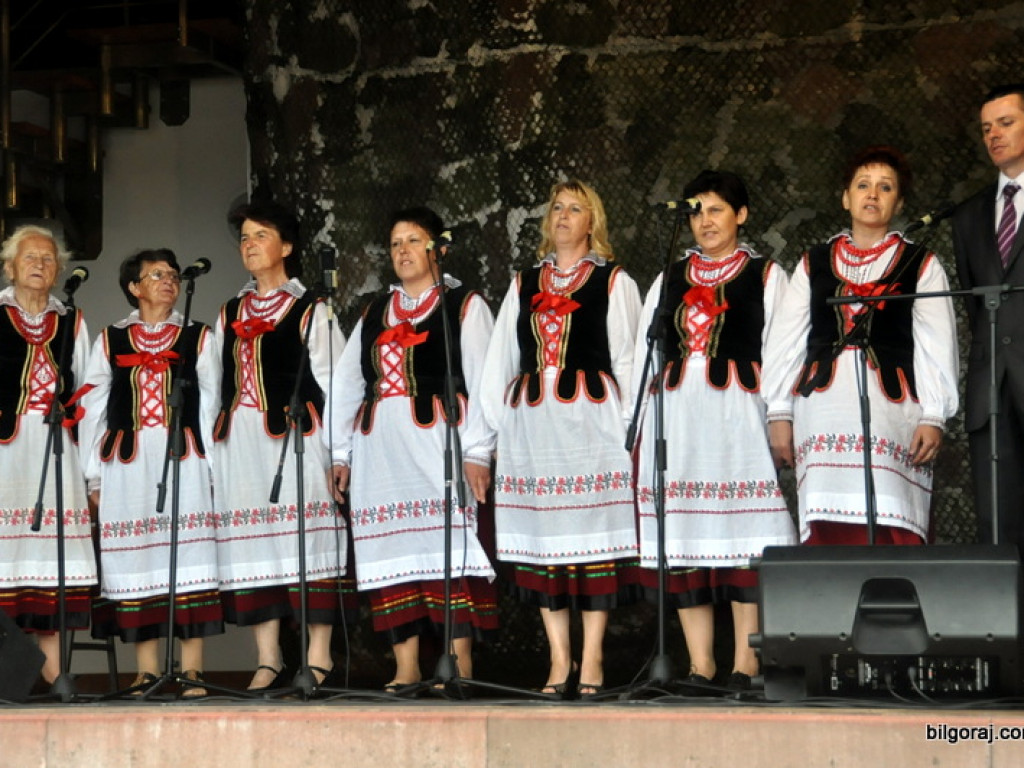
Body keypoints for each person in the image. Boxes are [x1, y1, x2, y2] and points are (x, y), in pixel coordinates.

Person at [632, 170, 797, 690]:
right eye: (696, 211)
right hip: (678, 417)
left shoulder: (766, 275)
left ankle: (747, 662)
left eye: (716, 209)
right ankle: (700, 664)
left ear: (741, 215)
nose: (704, 220)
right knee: (684, 534)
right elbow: (643, 353)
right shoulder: (670, 277)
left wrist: (779, 413)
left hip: (737, 415)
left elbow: (783, 350)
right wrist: (637, 425)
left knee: (746, 533)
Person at [480, 179, 641, 697]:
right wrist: (496, 431)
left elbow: (628, 359)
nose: (565, 216)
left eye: (576, 208)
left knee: (593, 540)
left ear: (593, 221)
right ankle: (558, 657)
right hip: (535, 429)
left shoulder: (613, 281)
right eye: (557, 208)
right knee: (545, 541)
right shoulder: (524, 283)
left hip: (592, 425)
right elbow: (500, 359)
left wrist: (626, 429)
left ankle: (591, 656)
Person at [327, 206, 497, 690]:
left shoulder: (464, 305)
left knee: (448, 548)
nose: (402, 251)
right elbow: (347, 384)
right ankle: (406, 666)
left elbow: (484, 381)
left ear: (438, 249)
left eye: (413, 241)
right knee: (391, 554)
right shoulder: (374, 311)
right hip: (381, 452)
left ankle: (457, 662)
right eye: (395, 243)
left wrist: (478, 451)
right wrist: (340, 453)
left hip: (438, 443)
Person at [765, 146, 959, 546]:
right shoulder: (814, 262)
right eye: (863, 185)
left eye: (885, 187)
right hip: (823, 410)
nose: (872, 194)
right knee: (827, 525)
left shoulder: (920, 263)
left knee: (891, 519)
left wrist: (934, 415)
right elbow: (786, 340)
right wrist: (780, 412)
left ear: (899, 203)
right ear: (846, 197)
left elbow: (936, 344)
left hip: (892, 410)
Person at [213, 201, 347, 691]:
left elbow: (336, 384)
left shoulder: (312, 308)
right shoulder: (229, 312)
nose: (249, 245)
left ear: (286, 247)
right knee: (256, 544)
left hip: (297, 438)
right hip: (242, 444)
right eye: (245, 237)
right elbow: (214, 386)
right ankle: (268, 658)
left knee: (307, 539)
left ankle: (318, 655)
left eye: (261, 235)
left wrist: (339, 453)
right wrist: (213, 453)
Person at [80, 249, 221, 697]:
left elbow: (213, 403)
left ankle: (193, 670)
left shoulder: (198, 335)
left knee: (190, 557)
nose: (169, 281)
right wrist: (94, 476)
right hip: (129, 463)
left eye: (173, 275)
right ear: (134, 287)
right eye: (156, 275)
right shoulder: (111, 339)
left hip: (185, 457)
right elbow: (92, 409)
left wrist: (215, 469)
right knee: (138, 558)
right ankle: (145, 671)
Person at [0, 224, 97, 686]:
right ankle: (9, 672)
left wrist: (93, 472)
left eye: (48, 259)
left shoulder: (71, 321)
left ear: (58, 271)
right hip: (6, 450)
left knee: (53, 557)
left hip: (58, 451)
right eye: (30, 257)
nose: (39, 265)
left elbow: (89, 394)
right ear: (9, 267)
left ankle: (55, 671)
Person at [952, 84, 1024, 554]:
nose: (994, 135)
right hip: (991, 386)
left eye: (1006, 123)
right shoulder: (968, 215)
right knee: (998, 526)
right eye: (986, 128)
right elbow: (975, 303)